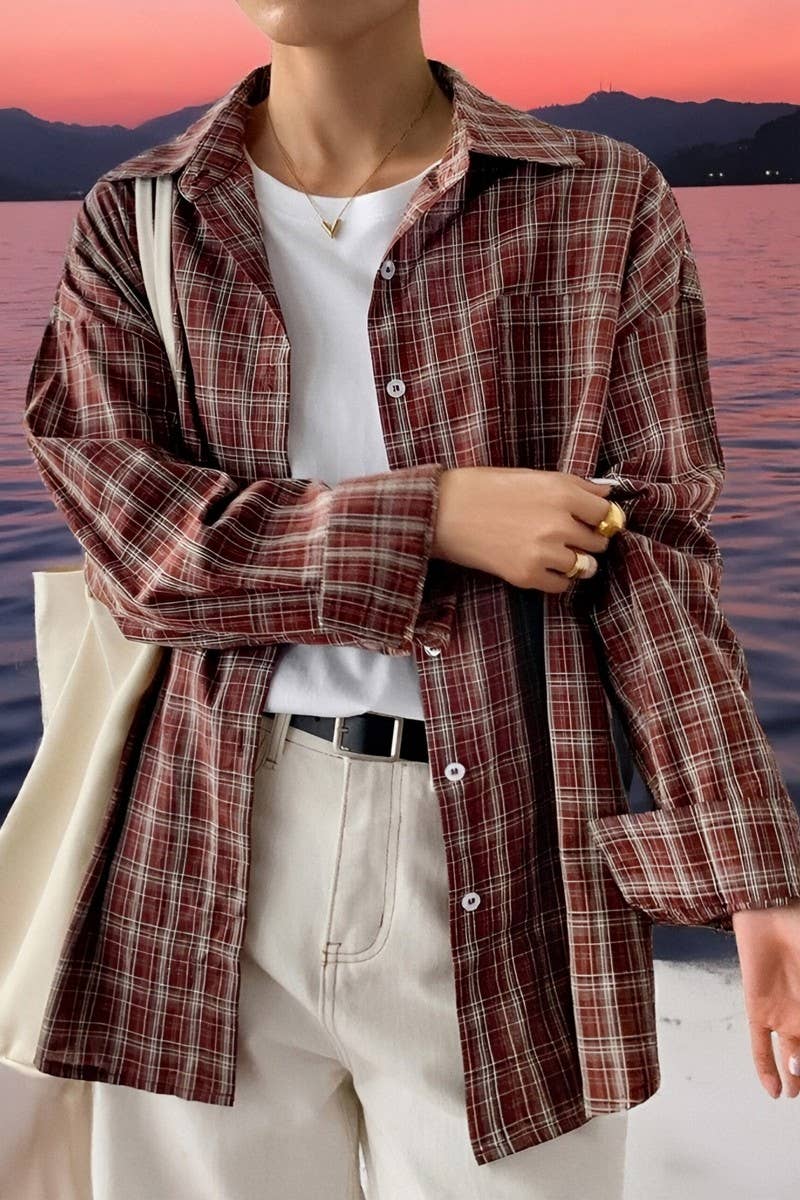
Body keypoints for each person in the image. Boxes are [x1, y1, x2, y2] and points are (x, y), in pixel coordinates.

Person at [21, 0, 800, 1196]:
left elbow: (653, 567)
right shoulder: (138, 216)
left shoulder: (597, 198)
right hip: (201, 850)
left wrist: (750, 872)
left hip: (513, 843)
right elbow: (141, 550)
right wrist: (433, 516)